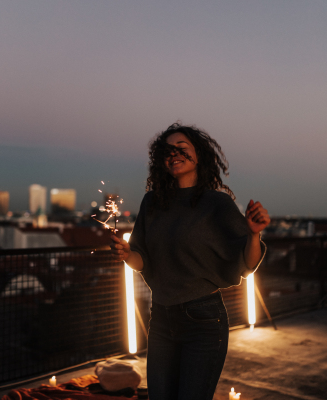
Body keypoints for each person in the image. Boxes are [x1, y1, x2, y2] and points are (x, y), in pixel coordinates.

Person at [110, 122, 270, 400]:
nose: (174, 154)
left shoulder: (216, 204)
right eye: (168, 151)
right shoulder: (153, 202)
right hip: (160, 319)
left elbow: (247, 263)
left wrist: (254, 236)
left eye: (181, 148)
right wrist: (127, 255)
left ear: (200, 156)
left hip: (203, 321)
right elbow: (142, 261)